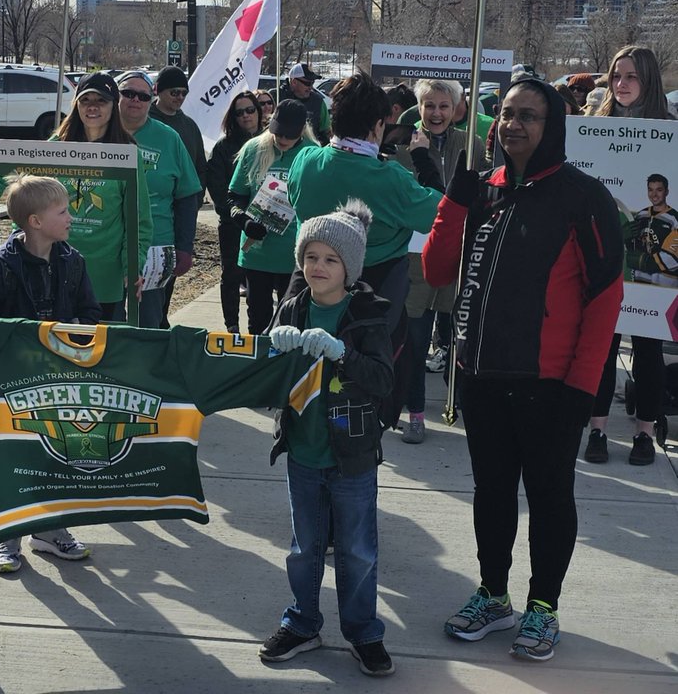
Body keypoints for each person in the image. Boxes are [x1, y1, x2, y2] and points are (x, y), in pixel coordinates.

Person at [423, 78, 623, 663]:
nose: (512, 125)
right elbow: (437, 271)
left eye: (528, 116)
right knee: (491, 492)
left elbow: (605, 296)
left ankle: (543, 606)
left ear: (552, 125)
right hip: (483, 374)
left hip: (551, 383)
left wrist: (581, 388)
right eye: (505, 114)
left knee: (549, 495)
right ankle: (493, 593)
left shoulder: (582, 196)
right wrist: (455, 199)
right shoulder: (482, 192)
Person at [260, 200, 395, 678]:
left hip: (353, 454)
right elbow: (266, 367)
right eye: (311, 256)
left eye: (330, 259)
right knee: (304, 547)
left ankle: (363, 632)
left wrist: (341, 354)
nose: (318, 266)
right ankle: (302, 622)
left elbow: (383, 380)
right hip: (303, 449)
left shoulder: (368, 316)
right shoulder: (292, 306)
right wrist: (273, 349)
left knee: (357, 549)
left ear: (350, 269)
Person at [0, 174, 101, 574]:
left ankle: (49, 530)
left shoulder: (72, 260)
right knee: (15, 459)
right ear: (35, 222)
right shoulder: (3, 267)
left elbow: (92, 314)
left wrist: (74, 334)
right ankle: (8, 538)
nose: (70, 218)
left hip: (59, 380)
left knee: (58, 456)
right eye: (62, 212)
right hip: (13, 384)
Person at [287, 72, 442, 336]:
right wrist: (421, 158)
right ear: (379, 125)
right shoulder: (391, 179)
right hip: (374, 294)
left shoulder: (305, 161)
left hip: (309, 289)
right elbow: (438, 212)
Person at [585, 45, 675, 465]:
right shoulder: (592, 127)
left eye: (632, 77)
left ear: (649, 81)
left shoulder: (670, 131)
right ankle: (598, 428)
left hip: (652, 267)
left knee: (649, 349)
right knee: (602, 345)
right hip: (602, 254)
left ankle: (643, 432)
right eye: (616, 75)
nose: (622, 84)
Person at [394, 79, 485, 444]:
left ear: (456, 109)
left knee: (459, 338)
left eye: (444, 106)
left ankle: (459, 402)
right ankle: (415, 412)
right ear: (419, 108)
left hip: (459, 256)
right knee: (415, 340)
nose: (436, 113)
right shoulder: (402, 145)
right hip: (415, 256)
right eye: (429, 106)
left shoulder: (471, 145)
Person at [53, 71, 152, 321]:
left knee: (99, 349)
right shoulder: (55, 146)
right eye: (86, 100)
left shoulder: (127, 152)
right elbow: (31, 200)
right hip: (56, 265)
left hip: (105, 273)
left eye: (102, 100)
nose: (93, 107)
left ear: (113, 105)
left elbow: (139, 219)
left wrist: (133, 266)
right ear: (76, 105)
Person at [117, 71, 201, 328]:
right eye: (128, 93)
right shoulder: (96, 129)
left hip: (154, 247)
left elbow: (187, 195)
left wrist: (184, 246)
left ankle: (149, 366)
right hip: (106, 243)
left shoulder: (168, 138)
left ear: (150, 98)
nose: (135, 100)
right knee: (106, 321)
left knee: (148, 320)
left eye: (142, 95)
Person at [228, 99, 316, 335]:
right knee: (258, 322)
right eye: (278, 133)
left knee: (290, 324)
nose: (283, 139)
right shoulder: (254, 148)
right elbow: (234, 196)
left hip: (295, 255)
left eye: (289, 135)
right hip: (258, 253)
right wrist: (244, 221)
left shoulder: (313, 154)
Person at [204, 89, 262, 332]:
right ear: (233, 117)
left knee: (258, 281)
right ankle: (231, 327)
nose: (246, 116)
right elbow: (217, 189)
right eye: (240, 112)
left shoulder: (271, 142)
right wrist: (237, 216)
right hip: (232, 225)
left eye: (250, 110)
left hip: (263, 225)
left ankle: (257, 328)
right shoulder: (223, 147)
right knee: (231, 275)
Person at [149, 65, 208, 197]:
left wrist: (196, 199)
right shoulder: (143, 121)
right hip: (151, 202)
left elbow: (200, 167)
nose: (180, 97)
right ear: (159, 91)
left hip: (184, 203)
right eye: (174, 92)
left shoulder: (190, 126)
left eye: (184, 93)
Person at [623, 173, 678, 287]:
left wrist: (647, 263)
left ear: (666, 192)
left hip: (666, 284)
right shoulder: (641, 215)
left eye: (659, 190)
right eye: (650, 190)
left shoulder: (674, 219)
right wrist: (626, 239)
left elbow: (673, 256)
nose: (654, 195)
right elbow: (634, 248)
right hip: (640, 280)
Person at [279, 63, 331, 143]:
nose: (311, 87)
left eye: (312, 83)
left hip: (310, 151)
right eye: (307, 83)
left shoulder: (318, 102)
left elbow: (326, 132)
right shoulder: (277, 97)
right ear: (294, 82)